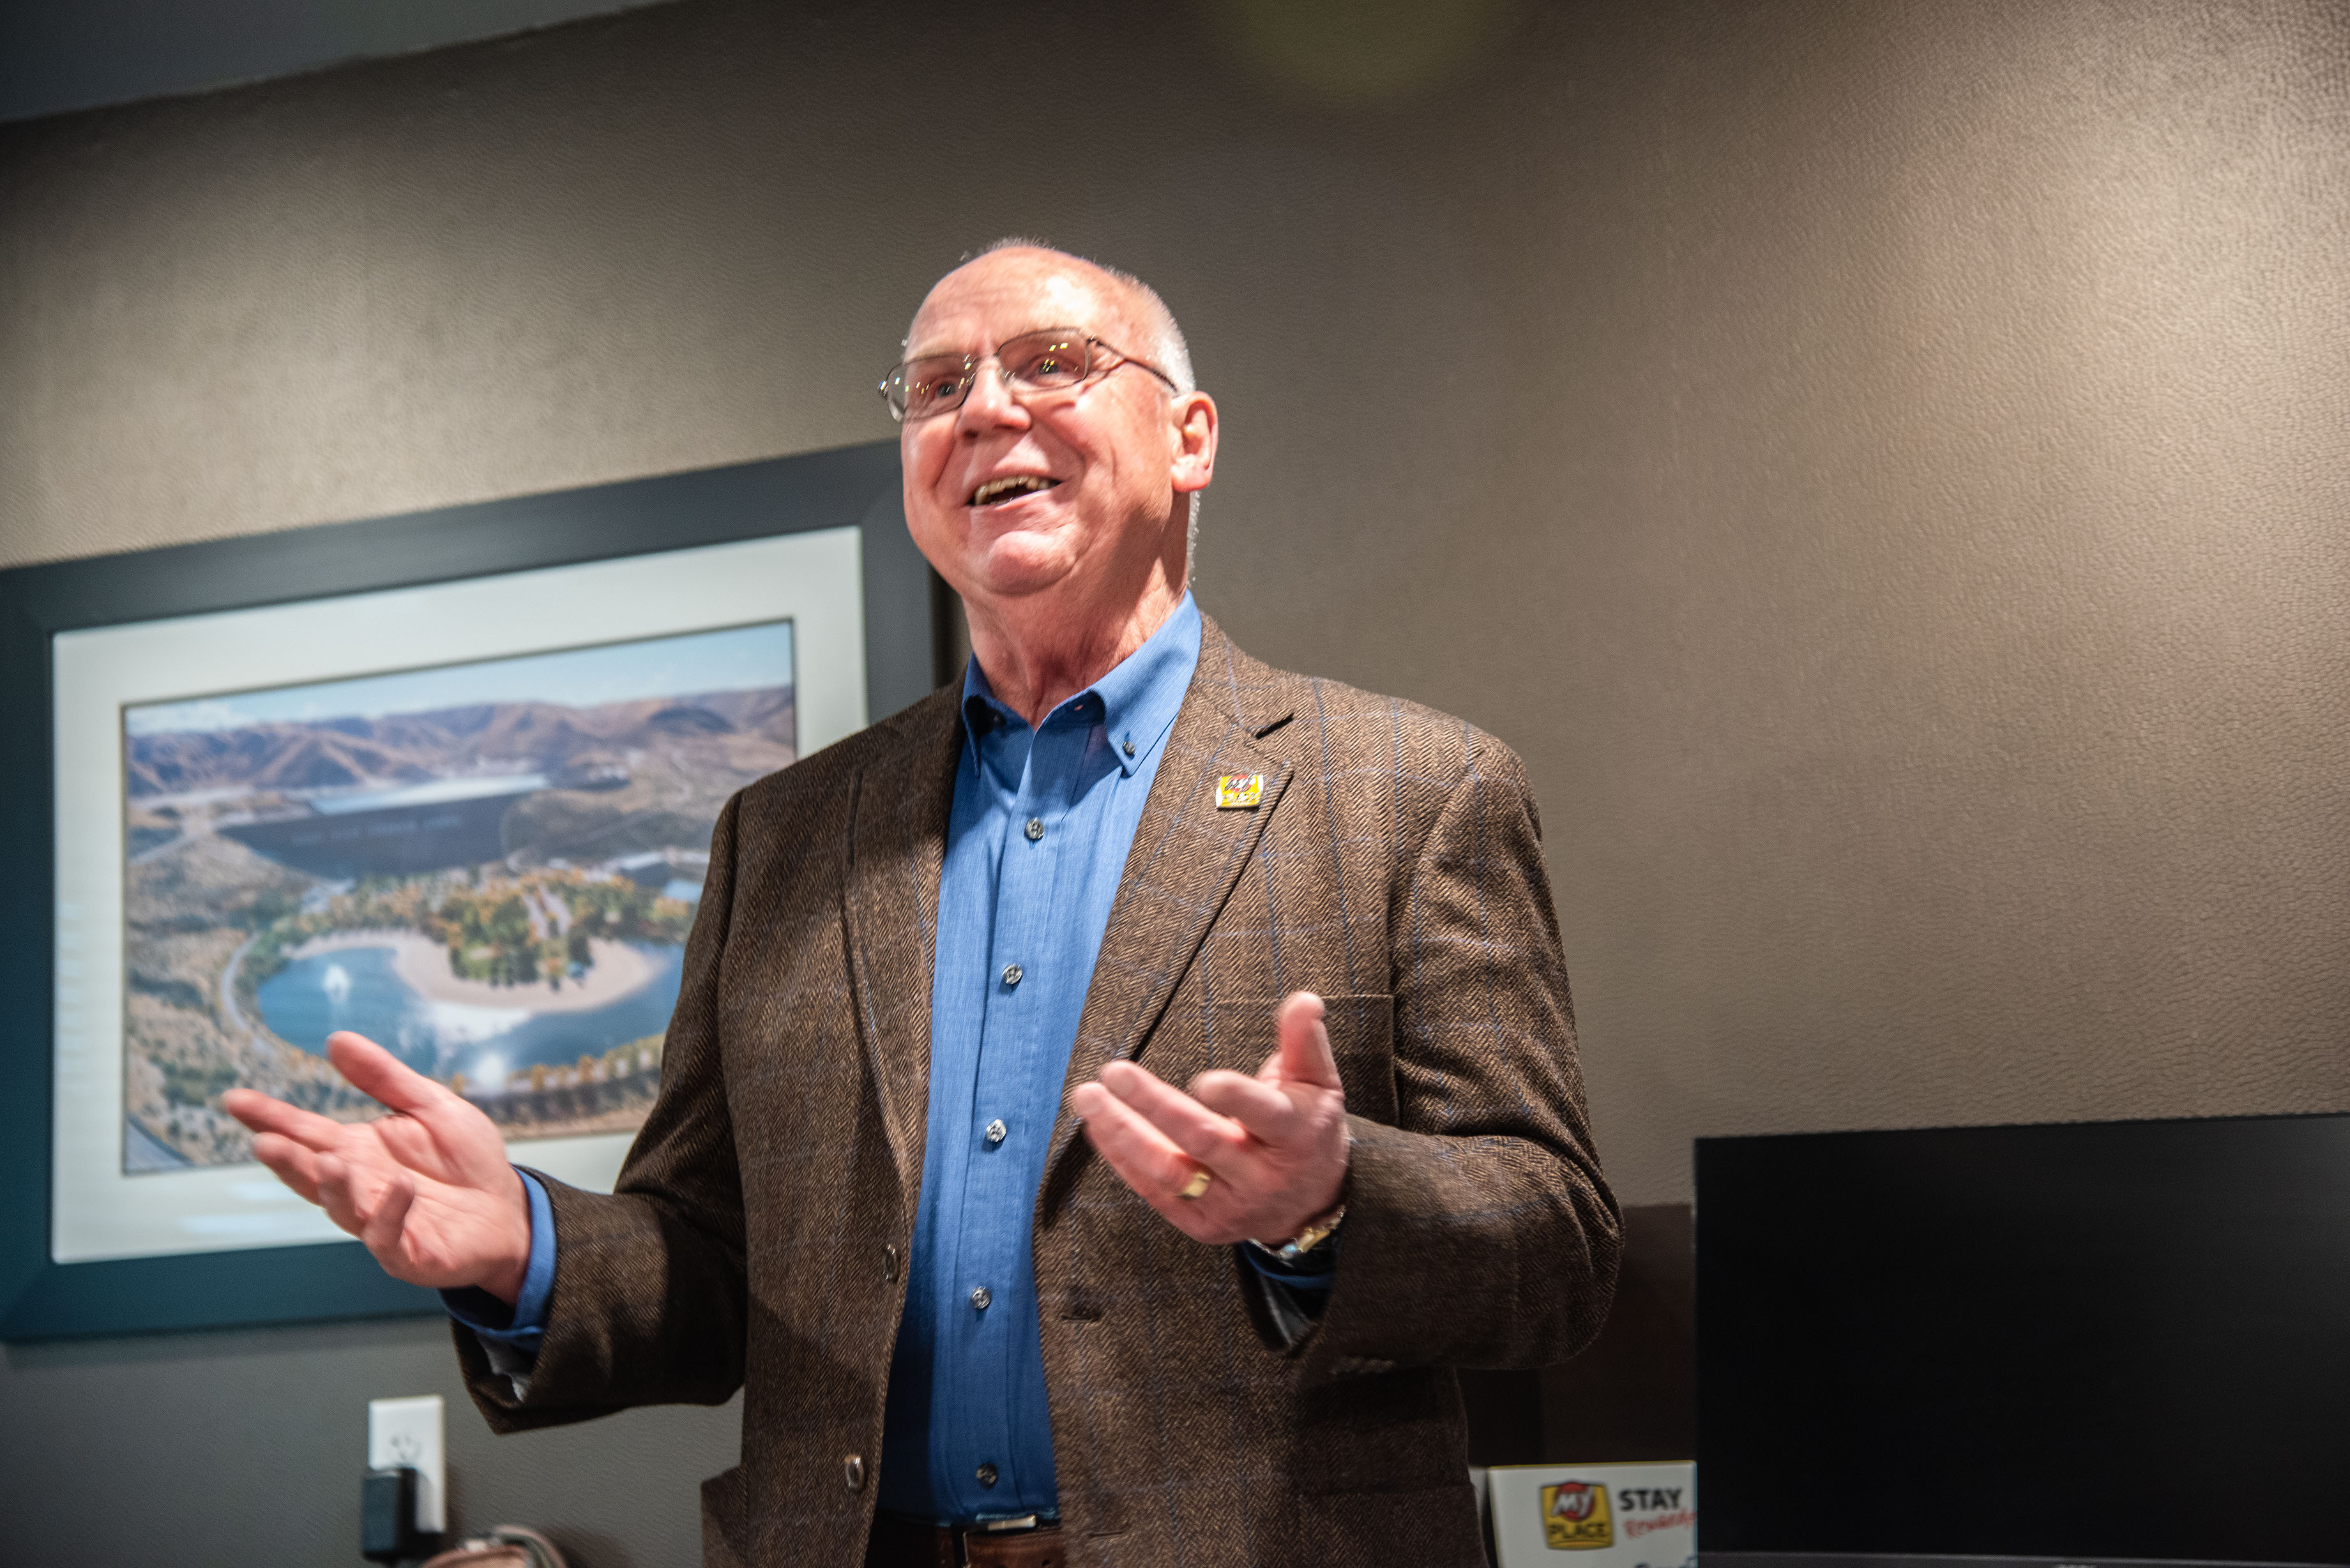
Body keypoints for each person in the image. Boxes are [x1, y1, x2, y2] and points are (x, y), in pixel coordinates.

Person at [225, 243, 1619, 1568]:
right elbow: (711, 1272)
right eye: (939, 386)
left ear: (1190, 438)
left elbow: (1556, 1244)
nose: (988, 407)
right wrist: (531, 1249)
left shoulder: (1410, 790)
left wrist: (1327, 1205)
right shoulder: (783, 835)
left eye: (1053, 361)